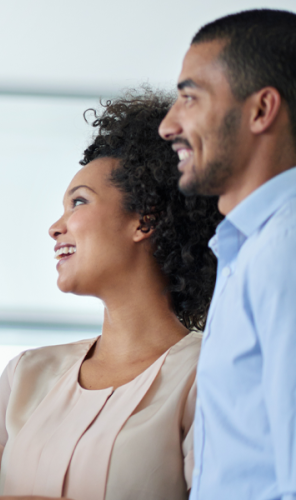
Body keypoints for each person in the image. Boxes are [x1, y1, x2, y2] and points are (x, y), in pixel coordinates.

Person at [0, 89, 222, 500]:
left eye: (78, 202)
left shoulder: (209, 376)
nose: (56, 226)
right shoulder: (25, 376)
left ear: (145, 219)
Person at [158, 9, 296, 499]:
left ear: (261, 110)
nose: (168, 125)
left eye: (189, 98)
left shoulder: (284, 252)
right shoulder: (249, 248)